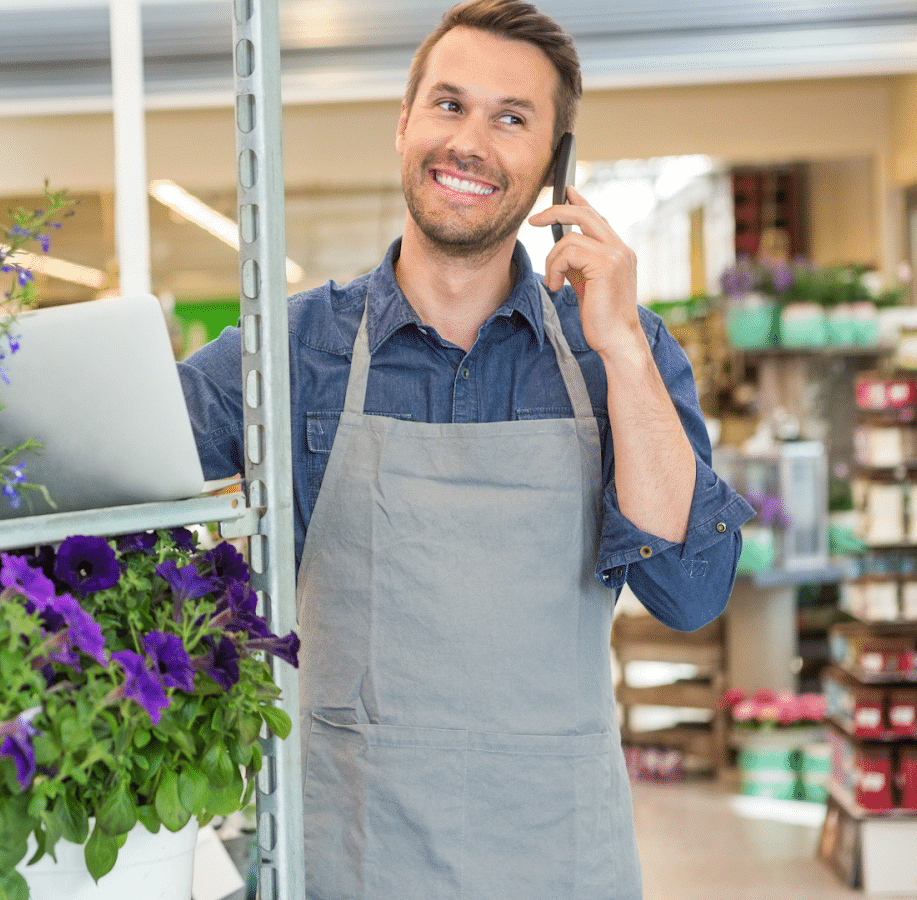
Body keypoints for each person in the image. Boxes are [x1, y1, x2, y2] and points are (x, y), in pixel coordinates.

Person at [177, 1, 755, 896]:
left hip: (558, 855)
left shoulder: (613, 354)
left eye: (511, 118)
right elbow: (106, 471)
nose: (470, 141)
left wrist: (628, 353)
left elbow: (688, 592)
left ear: (555, 164)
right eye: (449, 105)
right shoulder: (284, 354)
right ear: (404, 125)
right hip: (350, 852)